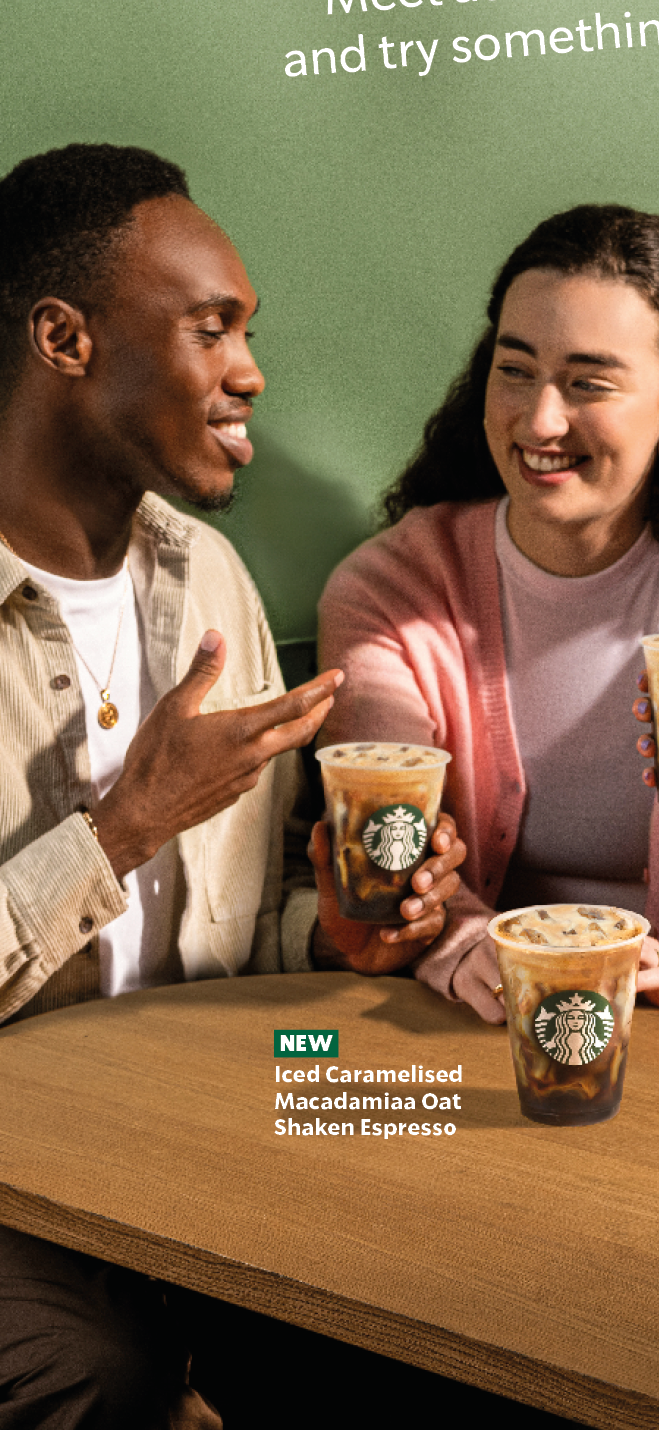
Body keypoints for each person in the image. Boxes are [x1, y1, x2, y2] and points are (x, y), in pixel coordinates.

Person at [0, 143, 465, 1426]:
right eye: (212, 329)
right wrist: (123, 825)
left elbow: (245, 942)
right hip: (18, 1186)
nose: (250, 372)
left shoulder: (206, 579)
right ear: (65, 338)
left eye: (245, 331)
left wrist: (350, 933)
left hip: (203, 1133)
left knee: (443, 1290)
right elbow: (135, 840)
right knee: (102, 1379)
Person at [319, 203, 659, 1023]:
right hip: (469, 1022)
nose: (541, 420)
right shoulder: (396, 590)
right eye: (515, 370)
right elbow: (394, 861)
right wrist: (469, 947)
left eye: (589, 383)